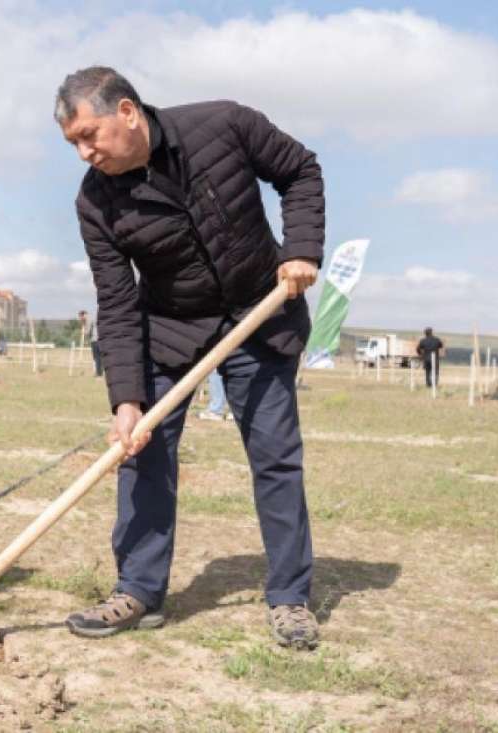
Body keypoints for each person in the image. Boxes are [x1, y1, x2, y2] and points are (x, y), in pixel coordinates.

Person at [56, 66, 323, 649]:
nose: (84, 153)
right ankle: (138, 590)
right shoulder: (95, 201)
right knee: (142, 453)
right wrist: (127, 400)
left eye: (88, 135)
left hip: (260, 315)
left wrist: (301, 249)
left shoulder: (224, 124)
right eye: (73, 143)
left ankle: (290, 598)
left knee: (275, 458)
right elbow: (117, 302)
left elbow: (300, 170)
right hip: (170, 329)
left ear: (127, 112)